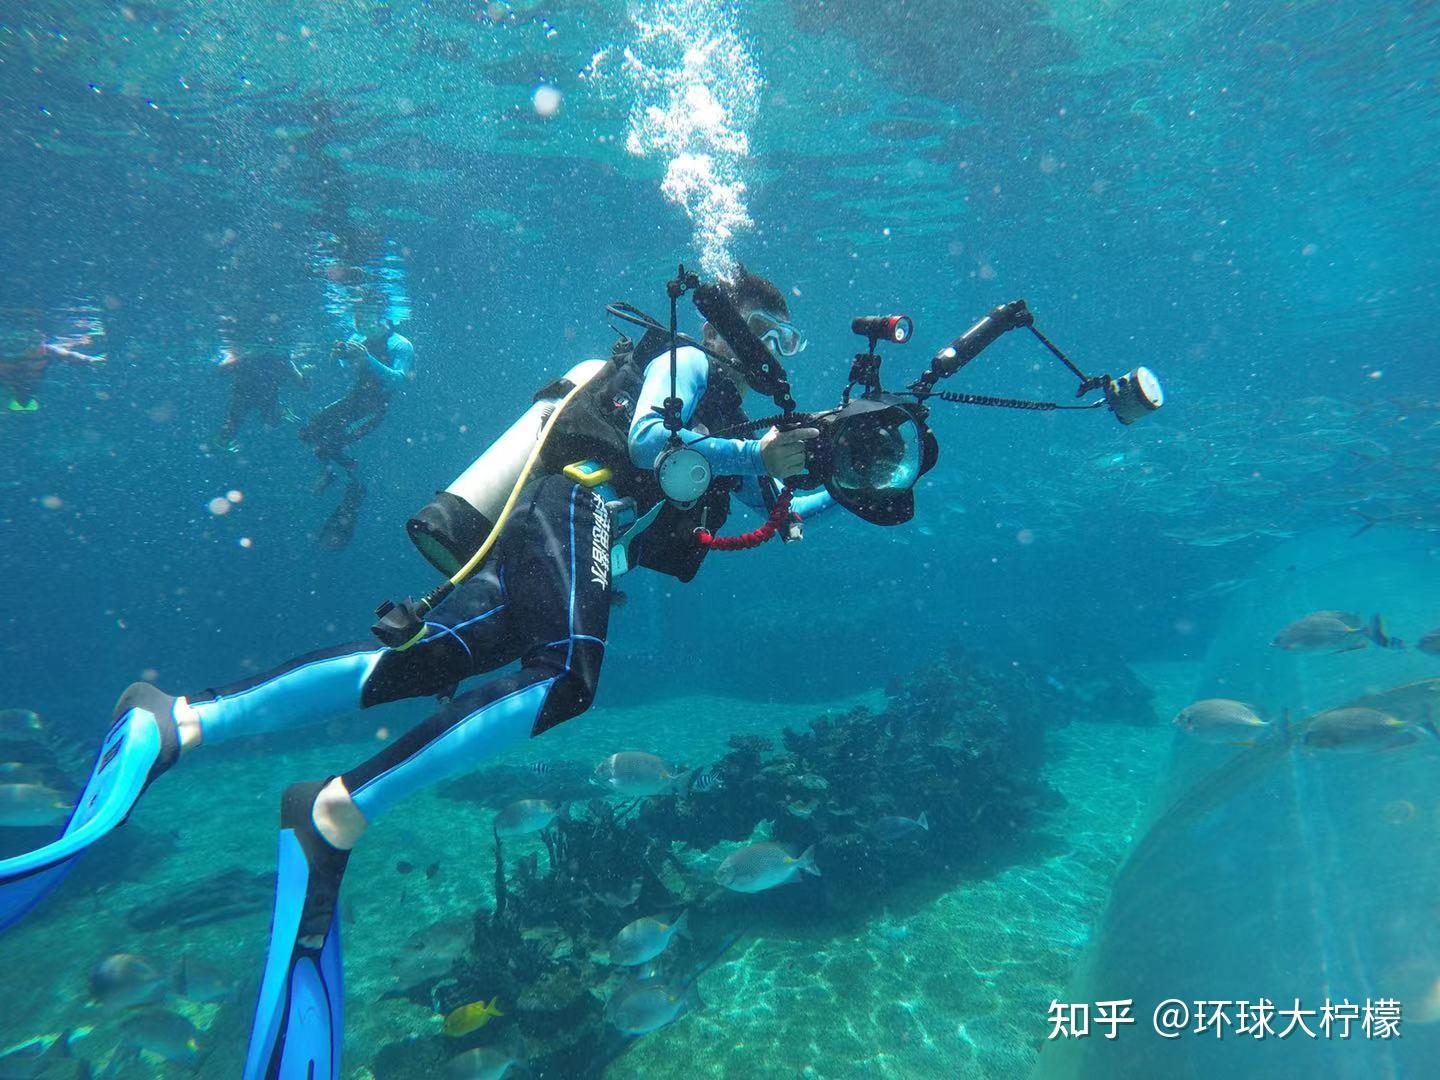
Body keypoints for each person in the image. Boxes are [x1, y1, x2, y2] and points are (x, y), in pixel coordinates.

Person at [0, 267, 830, 1078]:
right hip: (574, 506)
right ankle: (339, 811)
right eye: (766, 335)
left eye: (782, 342)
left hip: (562, 530)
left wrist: (845, 472)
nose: (773, 356)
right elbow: (654, 442)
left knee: (427, 659)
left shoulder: (726, 407)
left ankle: (177, 720)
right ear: (726, 326)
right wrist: (758, 450)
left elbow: (759, 494)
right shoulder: (686, 361)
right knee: (565, 677)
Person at [299, 320, 414, 482]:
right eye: (358, 319)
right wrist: (337, 357)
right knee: (308, 432)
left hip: (374, 408)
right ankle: (331, 472)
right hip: (353, 399)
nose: (361, 323)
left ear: (384, 318)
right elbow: (344, 369)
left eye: (366, 317)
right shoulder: (357, 337)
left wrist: (367, 358)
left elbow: (398, 380)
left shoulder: (400, 344)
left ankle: (357, 480)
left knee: (329, 443)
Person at [213, 343, 308, 453]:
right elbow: (303, 385)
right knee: (233, 425)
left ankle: (223, 443)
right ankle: (223, 444)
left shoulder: (282, 362)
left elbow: (221, 371)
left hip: (258, 396)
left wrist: (305, 374)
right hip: (253, 395)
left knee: (270, 423)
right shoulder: (280, 361)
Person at [0, 337, 105, 412]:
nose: (33, 347)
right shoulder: (12, 355)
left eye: (37, 342)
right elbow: (69, 356)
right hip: (18, 385)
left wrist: (90, 360)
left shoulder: (48, 351)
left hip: (29, 386)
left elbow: (69, 355)